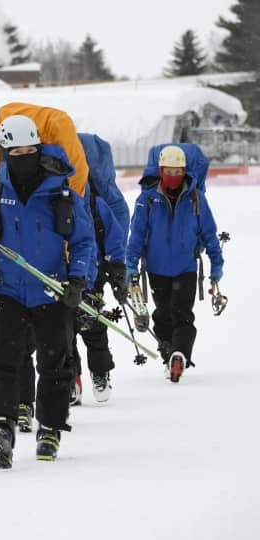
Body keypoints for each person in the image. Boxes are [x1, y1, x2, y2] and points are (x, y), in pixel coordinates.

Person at [0, 114, 94, 467]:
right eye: (15, 152)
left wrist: (78, 279)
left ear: (39, 147)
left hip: (52, 289)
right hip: (7, 290)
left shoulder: (60, 191)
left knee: (54, 362)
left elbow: (83, 241)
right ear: (5, 152)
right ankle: (0, 425)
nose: (23, 157)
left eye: (30, 150)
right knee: (5, 359)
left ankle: (50, 427)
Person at [126, 145, 224, 382]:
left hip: (186, 269)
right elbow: (136, 235)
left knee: (182, 314)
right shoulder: (147, 199)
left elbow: (209, 234)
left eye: (177, 171)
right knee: (162, 316)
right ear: (160, 170)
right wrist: (130, 265)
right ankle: (169, 354)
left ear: (184, 171)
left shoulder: (195, 198)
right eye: (168, 170)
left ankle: (179, 353)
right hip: (157, 270)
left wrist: (216, 265)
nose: (173, 175)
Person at [71, 189, 127, 404]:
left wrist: (118, 270)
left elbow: (114, 237)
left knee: (93, 327)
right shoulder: (52, 197)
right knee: (64, 333)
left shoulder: (96, 204)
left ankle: (100, 373)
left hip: (93, 276)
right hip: (60, 278)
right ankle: (70, 379)